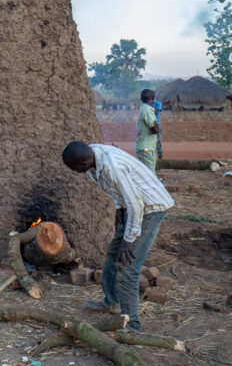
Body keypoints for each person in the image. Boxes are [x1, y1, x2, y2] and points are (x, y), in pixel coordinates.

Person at [61, 141, 174, 333]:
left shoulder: (113, 167)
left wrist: (128, 241)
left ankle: (132, 325)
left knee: (128, 267)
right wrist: (118, 209)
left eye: (74, 169)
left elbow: (137, 205)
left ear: (82, 163)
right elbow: (115, 190)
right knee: (114, 253)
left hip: (151, 207)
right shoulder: (92, 157)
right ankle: (112, 302)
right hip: (133, 205)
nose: (74, 172)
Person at [136, 89, 161, 172]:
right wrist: (158, 129)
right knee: (150, 176)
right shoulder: (148, 110)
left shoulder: (143, 108)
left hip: (145, 148)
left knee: (145, 175)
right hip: (146, 149)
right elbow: (154, 129)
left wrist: (156, 128)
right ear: (153, 98)